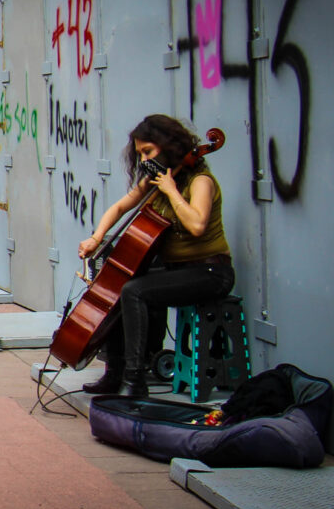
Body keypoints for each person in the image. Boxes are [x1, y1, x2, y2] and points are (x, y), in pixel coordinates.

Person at [77, 115, 235, 397]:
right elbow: (120, 208)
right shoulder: (156, 181)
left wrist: (172, 192)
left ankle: (135, 380)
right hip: (178, 271)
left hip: (212, 273)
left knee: (135, 291)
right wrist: (95, 237)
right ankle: (114, 372)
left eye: (148, 151)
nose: (144, 159)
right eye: (140, 154)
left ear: (168, 146)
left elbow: (197, 225)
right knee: (116, 288)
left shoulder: (200, 181)